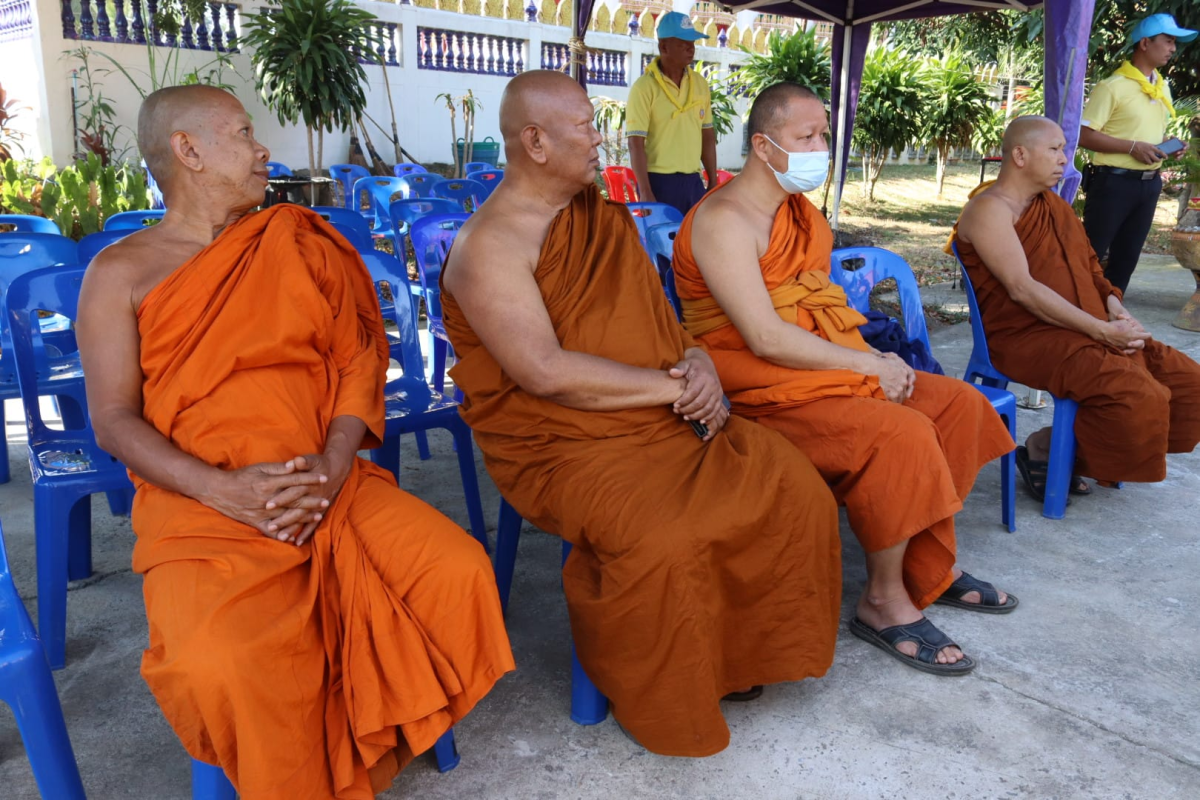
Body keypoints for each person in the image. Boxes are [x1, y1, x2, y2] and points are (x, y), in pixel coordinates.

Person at [77, 85, 514, 798]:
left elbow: (356, 362)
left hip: (326, 483)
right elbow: (114, 419)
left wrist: (336, 464)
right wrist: (224, 490)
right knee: (222, 663)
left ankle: (349, 758)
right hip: (202, 506)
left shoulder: (296, 241)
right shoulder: (120, 273)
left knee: (455, 573)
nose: (262, 150)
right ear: (187, 151)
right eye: (243, 133)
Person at [440, 71, 842, 758]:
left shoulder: (602, 218)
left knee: (790, 482)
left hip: (655, 412)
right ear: (534, 141)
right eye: (583, 126)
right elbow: (544, 372)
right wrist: (676, 391)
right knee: (663, 537)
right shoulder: (490, 246)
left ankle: (735, 655)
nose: (600, 137)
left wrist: (701, 365)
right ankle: (658, 692)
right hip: (561, 443)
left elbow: (663, 326)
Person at [671, 82, 1018, 678]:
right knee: (899, 434)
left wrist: (869, 360)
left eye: (823, 135)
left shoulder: (798, 213)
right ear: (762, 145)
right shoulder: (725, 220)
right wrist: (870, 366)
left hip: (822, 361)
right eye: (805, 137)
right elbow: (765, 337)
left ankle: (928, 564)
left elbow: (814, 307)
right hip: (756, 380)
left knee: (957, 406)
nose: (820, 147)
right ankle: (881, 600)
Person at [954, 115, 1200, 495]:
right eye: (1054, 149)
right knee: (1139, 395)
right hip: (1026, 336)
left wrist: (1115, 309)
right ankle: (1049, 449)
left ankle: (1052, 444)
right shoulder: (989, 211)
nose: (1063, 160)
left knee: (1186, 381)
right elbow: (1022, 289)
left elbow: (1089, 267)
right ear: (1020, 154)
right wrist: (1102, 330)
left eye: (1064, 150)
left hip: (1083, 323)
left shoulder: (1054, 205)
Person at [1079, 13, 1197, 294]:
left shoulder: (1162, 86)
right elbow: (1083, 135)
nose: (1173, 48)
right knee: (1090, 254)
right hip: (1112, 183)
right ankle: (1075, 313)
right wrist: (1133, 147)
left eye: (1174, 43)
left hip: (1148, 184)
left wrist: (1167, 144)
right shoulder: (1112, 87)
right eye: (1168, 41)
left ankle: (1113, 316)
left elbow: (1146, 134)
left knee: (1127, 258)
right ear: (1145, 43)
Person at [626, 11, 717, 214]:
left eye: (692, 42)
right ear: (664, 47)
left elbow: (707, 135)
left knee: (693, 243)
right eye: (683, 42)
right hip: (658, 182)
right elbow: (635, 143)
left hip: (693, 182)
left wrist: (713, 179)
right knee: (663, 243)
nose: (691, 48)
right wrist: (645, 191)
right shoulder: (644, 88)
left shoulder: (700, 84)